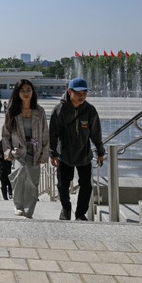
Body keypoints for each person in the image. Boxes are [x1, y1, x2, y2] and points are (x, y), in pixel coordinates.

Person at [49, 78, 105, 221]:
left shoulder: (90, 110)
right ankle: (66, 208)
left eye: (84, 93)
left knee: (86, 186)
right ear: (69, 92)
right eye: (78, 93)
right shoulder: (59, 110)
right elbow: (53, 134)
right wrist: (53, 153)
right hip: (64, 154)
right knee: (62, 184)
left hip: (84, 154)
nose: (82, 96)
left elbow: (96, 133)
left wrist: (100, 151)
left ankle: (80, 213)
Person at [2, 79, 49, 218]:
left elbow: (45, 133)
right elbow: (5, 134)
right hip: (18, 149)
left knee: (33, 181)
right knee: (19, 173)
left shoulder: (39, 111)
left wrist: (44, 153)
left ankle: (29, 209)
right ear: (17, 93)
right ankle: (18, 205)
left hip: (35, 148)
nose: (26, 93)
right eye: (22, 90)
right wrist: (7, 151)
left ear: (33, 92)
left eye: (29, 90)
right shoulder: (12, 111)